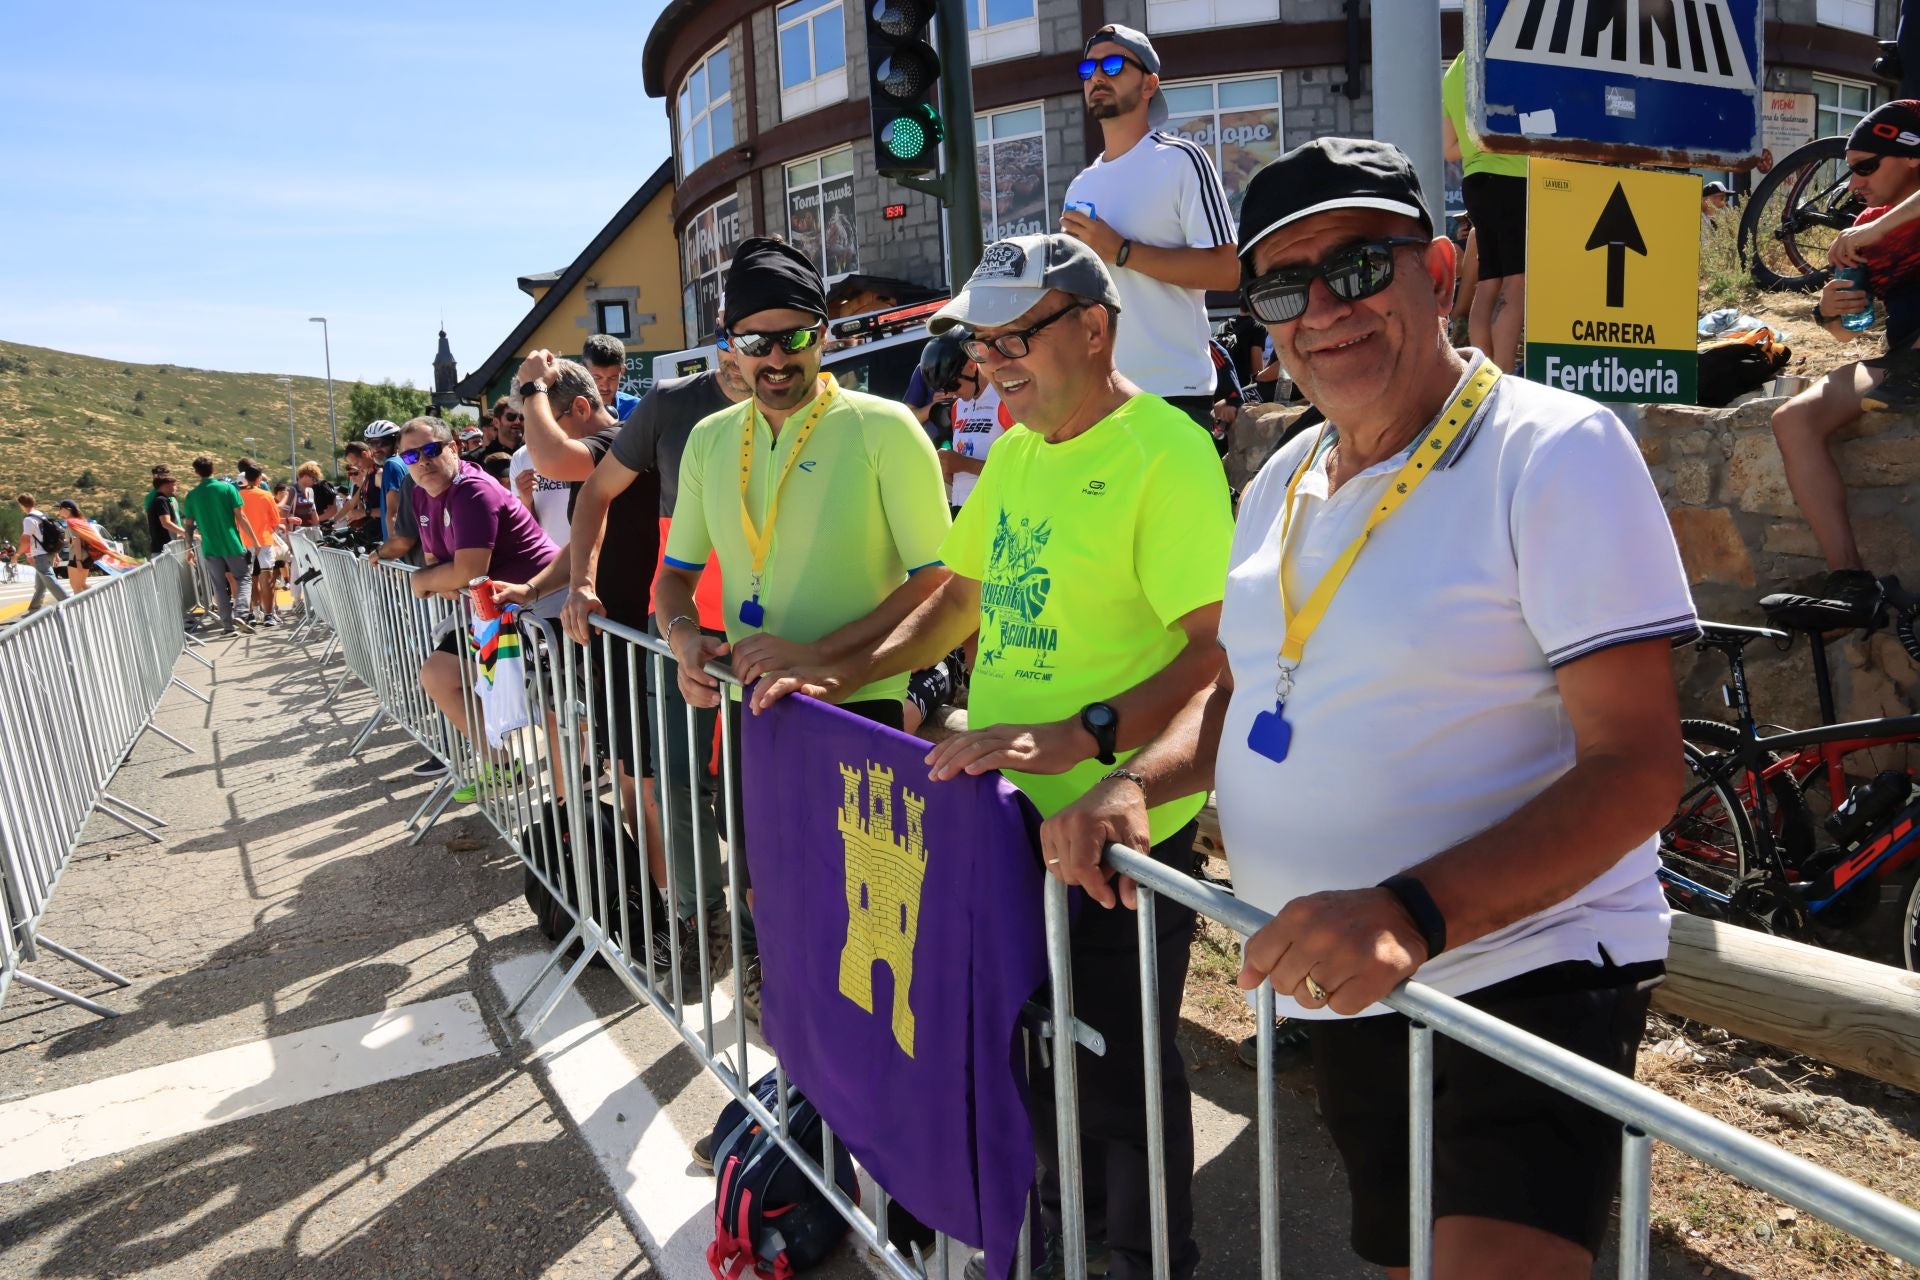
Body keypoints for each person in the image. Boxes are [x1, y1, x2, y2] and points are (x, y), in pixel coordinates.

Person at [1047, 137, 1695, 1279]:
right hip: (1342, 977)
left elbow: (1638, 767)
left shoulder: (1553, 450)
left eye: (1356, 267)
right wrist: (1135, 785)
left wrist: (1412, 910)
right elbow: (1245, 693)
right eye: (1284, 286)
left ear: (1440, 274)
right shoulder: (1279, 481)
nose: (1322, 310)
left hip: (1519, 972)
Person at [753, 232, 1233, 1280]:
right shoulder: (1014, 450)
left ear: (1096, 327)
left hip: (1116, 831)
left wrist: (1087, 740)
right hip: (1001, 822)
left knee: (1119, 1073)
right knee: (1036, 1058)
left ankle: (1149, 1260)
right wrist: (835, 676)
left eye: (1016, 334)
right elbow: (957, 605)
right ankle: (1062, 1238)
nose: (993, 360)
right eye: (984, 340)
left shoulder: (1165, 450)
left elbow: (1213, 655)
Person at [653, 237, 952, 1023]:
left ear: (824, 334)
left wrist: (823, 657)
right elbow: (675, 576)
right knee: (766, 894)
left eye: (795, 335)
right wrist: (684, 638)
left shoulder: (885, 428)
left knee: (867, 927)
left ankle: (857, 1101)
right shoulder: (712, 440)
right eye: (756, 342)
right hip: (757, 709)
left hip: (862, 708)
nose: (777, 357)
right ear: (730, 348)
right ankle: (801, 1084)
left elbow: (939, 581)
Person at [564, 325, 751, 1007]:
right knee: (674, 782)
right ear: (719, 341)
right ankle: (704, 930)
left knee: (750, 791)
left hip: (774, 629)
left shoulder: (802, 406)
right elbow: (593, 493)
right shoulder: (670, 405)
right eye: (737, 338)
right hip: (679, 627)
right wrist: (581, 581)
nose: (749, 357)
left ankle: (758, 940)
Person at [499, 352, 666, 908]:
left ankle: (675, 910)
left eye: (549, 409)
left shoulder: (620, 443)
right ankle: (653, 905)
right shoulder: (602, 463)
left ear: (576, 405)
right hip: (610, 642)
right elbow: (580, 543)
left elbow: (552, 454)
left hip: (637, 640)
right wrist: (533, 589)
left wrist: (531, 386)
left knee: (645, 789)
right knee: (626, 779)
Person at [1768, 99, 1920, 612]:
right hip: (1906, 363)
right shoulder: (1865, 232)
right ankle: (1850, 577)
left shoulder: (1872, 229)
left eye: (1866, 167)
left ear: (1912, 156)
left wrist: (1874, 229)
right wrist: (1829, 313)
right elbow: (1843, 338)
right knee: (1794, 420)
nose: (1854, 183)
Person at [1061, 23, 1238, 427]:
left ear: (1149, 85)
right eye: (1088, 70)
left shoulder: (1182, 160)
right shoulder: (1080, 185)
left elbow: (1228, 270)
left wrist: (1121, 250)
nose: (1097, 77)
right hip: (1097, 397)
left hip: (1172, 394)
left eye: (1112, 64)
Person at [399, 417, 561, 802]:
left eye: (430, 450)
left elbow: (467, 572)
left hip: (542, 604)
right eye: (410, 455)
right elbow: (439, 559)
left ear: (453, 448)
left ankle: (567, 805)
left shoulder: (472, 490)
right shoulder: (421, 491)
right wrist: (441, 576)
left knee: (553, 707)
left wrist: (421, 581)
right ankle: (504, 768)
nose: (422, 461)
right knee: (438, 675)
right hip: (495, 613)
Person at [1441, 51, 1528, 373]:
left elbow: (1449, 148)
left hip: (1475, 182)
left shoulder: (1453, 71)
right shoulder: (1508, 55)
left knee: (1489, 280)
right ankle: (1504, 376)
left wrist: (1478, 144)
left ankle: (1484, 376)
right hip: (1514, 177)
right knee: (1516, 281)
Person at [917, 328, 1007, 514]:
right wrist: (945, 469)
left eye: (952, 384)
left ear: (972, 365)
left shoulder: (1003, 400)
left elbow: (1022, 469)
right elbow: (961, 478)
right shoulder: (958, 408)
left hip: (997, 508)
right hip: (963, 510)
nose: (950, 393)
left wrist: (964, 464)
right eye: (944, 388)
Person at [180, 457, 262, 635]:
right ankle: (240, 612)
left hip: (210, 546)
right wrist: (254, 540)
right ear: (213, 469)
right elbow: (241, 516)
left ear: (196, 472)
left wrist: (188, 549)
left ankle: (227, 626)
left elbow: (188, 525)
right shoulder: (227, 488)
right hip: (231, 542)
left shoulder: (192, 495)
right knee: (244, 578)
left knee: (218, 585)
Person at [236, 462, 283, 625]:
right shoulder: (266, 495)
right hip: (264, 540)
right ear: (258, 479)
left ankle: (252, 613)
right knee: (267, 575)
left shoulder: (237, 495)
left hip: (244, 541)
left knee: (249, 577)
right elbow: (275, 521)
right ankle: (269, 614)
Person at [16, 493, 70, 612]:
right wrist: (55, 554)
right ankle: (34, 608)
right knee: (40, 584)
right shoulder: (42, 515)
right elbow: (49, 536)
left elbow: (25, 541)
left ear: (22, 505)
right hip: (48, 552)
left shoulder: (29, 520)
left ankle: (68, 601)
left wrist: (17, 555)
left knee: (49, 580)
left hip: (40, 555)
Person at [584, 333, 642, 422]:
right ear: (583, 371)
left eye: (612, 378)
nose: (605, 387)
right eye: (597, 378)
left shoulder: (637, 409)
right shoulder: (567, 411)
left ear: (622, 371)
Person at [146, 466, 184, 552]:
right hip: (165, 542)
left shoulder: (171, 497)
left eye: (165, 476)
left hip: (176, 536)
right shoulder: (154, 498)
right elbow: (152, 520)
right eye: (160, 476)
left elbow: (176, 518)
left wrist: (180, 532)